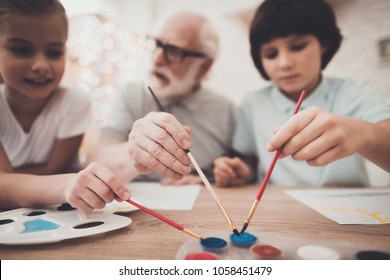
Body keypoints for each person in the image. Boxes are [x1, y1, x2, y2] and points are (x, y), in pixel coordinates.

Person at [213, 0, 390, 187]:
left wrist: (362, 133)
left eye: (297, 46)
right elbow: (248, 158)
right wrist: (240, 171)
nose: (284, 63)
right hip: (279, 210)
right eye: (271, 54)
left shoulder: (356, 92)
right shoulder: (253, 103)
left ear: (324, 43)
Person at [0, 0, 131, 210]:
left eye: (54, 53)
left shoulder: (75, 101)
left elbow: (54, 171)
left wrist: (11, 182)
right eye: (21, 50)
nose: (40, 65)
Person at [89, 10, 237, 185]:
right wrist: (136, 151)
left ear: (204, 67)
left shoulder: (224, 109)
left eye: (174, 51)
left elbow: (242, 168)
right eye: (156, 44)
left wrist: (218, 177)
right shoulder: (131, 94)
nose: (157, 59)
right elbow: (97, 160)